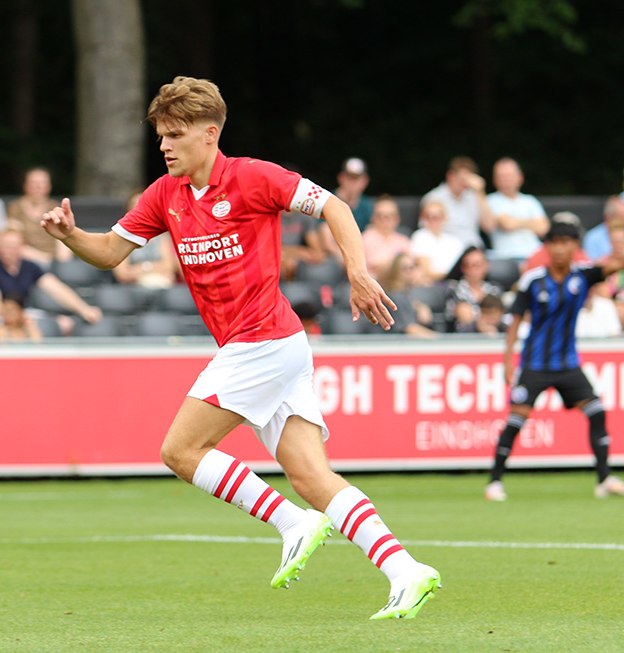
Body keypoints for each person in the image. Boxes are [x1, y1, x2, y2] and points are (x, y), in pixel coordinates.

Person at [41, 76, 440, 619]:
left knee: (179, 452)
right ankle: (406, 571)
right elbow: (110, 252)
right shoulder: (165, 194)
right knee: (310, 477)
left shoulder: (253, 176)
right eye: (159, 135)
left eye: (174, 134)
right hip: (273, 344)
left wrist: (358, 272)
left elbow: (336, 209)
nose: (163, 146)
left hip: (263, 342)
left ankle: (292, 522)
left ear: (210, 134)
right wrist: (68, 235)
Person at [485, 220, 624, 502]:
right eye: (555, 242)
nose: (560, 248)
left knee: (596, 411)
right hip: (535, 364)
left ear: (575, 247)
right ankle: (494, 483)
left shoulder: (583, 276)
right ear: (547, 246)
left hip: (568, 364)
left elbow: (618, 264)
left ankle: (604, 479)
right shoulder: (533, 280)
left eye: (566, 242)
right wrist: (508, 360)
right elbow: (514, 321)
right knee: (516, 420)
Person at [0, 229, 101, 335]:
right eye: (5, 246)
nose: (8, 251)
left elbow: (56, 289)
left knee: (65, 323)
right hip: (3, 320)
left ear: (22, 247)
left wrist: (84, 309)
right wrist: (18, 318)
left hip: (25, 314)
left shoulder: (30, 267)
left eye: (13, 246)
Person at [421, 156, 495, 250]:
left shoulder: (474, 197)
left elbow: (489, 226)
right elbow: (427, 230)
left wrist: (480, 192)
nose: (464, 183)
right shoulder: (434, 198)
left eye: (467, 180)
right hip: (447, 250)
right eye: (461, 179)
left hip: (475, 250)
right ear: (450, 176)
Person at [112, 190, 181, 288]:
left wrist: (141, 268)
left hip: (163, 286)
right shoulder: (120, 238)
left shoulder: (162, 236)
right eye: (134, 205)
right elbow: (122, 274)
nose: (138, 208)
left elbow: (169, 267)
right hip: (132, 289)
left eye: (142, 204)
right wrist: (154, 268)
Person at [484, 158, 549, 261]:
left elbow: (544, 228)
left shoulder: (530, 200)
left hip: (536, 255)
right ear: (494, 180)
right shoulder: (490, 200)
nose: (506, 180)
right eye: (501, 176)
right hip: (507, 258)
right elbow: (507, 224)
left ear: (520, 177)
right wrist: (531, 222)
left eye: (509, 176)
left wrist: (515, 221)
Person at [6, 166, 72, 264]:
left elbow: (63, 235)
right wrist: (44, 258)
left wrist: (62, 261)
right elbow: (13, 239)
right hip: (25, 259)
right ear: (25, 185)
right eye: (34, 183)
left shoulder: (55, 207)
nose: (38, 187)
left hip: (54, 261)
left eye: (42, 184)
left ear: (49, 186)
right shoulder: (15, 208)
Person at [444, 247, 503, 332]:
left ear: (486, 266)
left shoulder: (494, 290)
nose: (472, 270)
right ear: (462, 268)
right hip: (465, 340)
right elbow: (465, 318)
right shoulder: (454, 289)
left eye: (476, 265)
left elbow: (500, 317)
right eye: (467, 265)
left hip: (494, 336)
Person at [380, 253, 437, 338]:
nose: (412, 271)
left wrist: (420, 306)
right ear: (396, 272)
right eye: (407, 268)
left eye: (414, 266)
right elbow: (410, 329)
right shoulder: (395, 296)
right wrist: (443, 340)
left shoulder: (406, 294)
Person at [409, 200, 465, 285]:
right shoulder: (420, 236)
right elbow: (427, 271)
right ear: (422, 218)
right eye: (428, 216)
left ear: (444, 217)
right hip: (436, 285)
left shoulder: (456, 241)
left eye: (437, 216)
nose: (432, 220)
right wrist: (451, 276)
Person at [360, 195, 411, 282]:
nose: (385, 220)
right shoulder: (366, 238)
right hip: (376, 286)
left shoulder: (404, 240)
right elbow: (377, 266)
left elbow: (411, 265)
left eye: (389, 216)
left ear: (397, 218)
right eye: (380, 216)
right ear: (373, 218)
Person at [279, 208, 327, 282]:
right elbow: (267, 250)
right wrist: (298, 252)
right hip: (277, 258)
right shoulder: (267, 217)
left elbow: (317, 252)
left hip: (300, 261)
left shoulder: (304, 216)